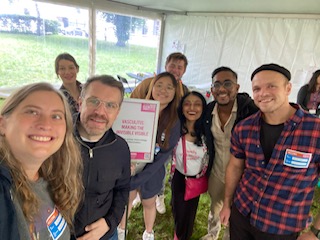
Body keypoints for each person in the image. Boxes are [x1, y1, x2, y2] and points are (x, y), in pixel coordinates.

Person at [219, 63, 320, 240]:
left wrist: (315, 231)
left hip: (282, 226)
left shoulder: (315, 131)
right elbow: (235, 167)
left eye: (271, 86)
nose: (263, 93)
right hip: (242, 214)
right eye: (256, 88)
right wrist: (227, 203)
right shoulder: (244, 128)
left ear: (288, 88)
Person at [0, 82, 83, 239]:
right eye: (32, 112)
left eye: (56, 116)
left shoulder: (54, 178)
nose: (45, 124)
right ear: (2, 124)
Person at [118, 72, 182, 240]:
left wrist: (140, 178)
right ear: (152, 87)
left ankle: (148, 232)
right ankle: (121, 230)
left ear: (175, 92)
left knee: (148, 201)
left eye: (169, 87)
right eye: (159, 85)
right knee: (128, 199)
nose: (163, 90)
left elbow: (164, 156)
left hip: (154, 170)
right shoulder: (137, 109)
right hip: (132, 165)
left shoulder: (174, 120)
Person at [200, 67, 258, 240]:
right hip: (217, 172)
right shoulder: (208, 112)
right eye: (217, 84)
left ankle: (229, 236)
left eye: (227, 83)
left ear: (237, 87)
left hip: (243, 175)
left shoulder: (250, 111)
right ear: (212, 90)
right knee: (215, 207)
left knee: (237, 212)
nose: (222, 89)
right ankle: (212, 234)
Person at [72, 75, 131, 240]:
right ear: (80, 103)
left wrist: (109, 223)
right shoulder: (57, 141)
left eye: (110, 105)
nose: (100, 112)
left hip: (105, 234)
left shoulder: (120, 148)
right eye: (93, 101)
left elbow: (122, 190)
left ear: (117, 112)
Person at [131, 52, 189, 214]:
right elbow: (133, 102)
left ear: (183, 71)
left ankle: (159, 195)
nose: (175, 70)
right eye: (172, 65)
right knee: (138, 165)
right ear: (165, 65)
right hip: (141, 136)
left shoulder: (183, 90)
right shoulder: (148, 83)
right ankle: (136, 194)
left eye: (180, 67)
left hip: (166, 139)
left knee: (159, 167)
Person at [171, 91, 214, 240]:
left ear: (203, 108)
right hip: (178, 176)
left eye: (197, 104)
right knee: (177, 209)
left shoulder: (207, 131)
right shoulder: (175, 128)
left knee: (189, 212)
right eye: (187, 103)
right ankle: (179, 233)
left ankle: (183, 235)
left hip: (195, 179)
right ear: (182, 107)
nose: (192, 108)